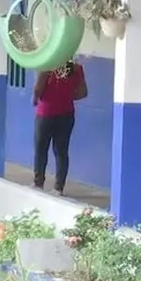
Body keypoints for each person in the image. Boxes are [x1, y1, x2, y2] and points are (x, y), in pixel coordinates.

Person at [32, 60, 87, 195]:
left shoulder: (47, 66)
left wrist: (34, 99)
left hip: (46, 114)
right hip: (66, 114)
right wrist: (65, 97)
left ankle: (38, 183)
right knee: (61, 151)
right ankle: (58, 188)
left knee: (41, 150)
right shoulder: (77, 68)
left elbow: (38, 89)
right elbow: (83, 92)